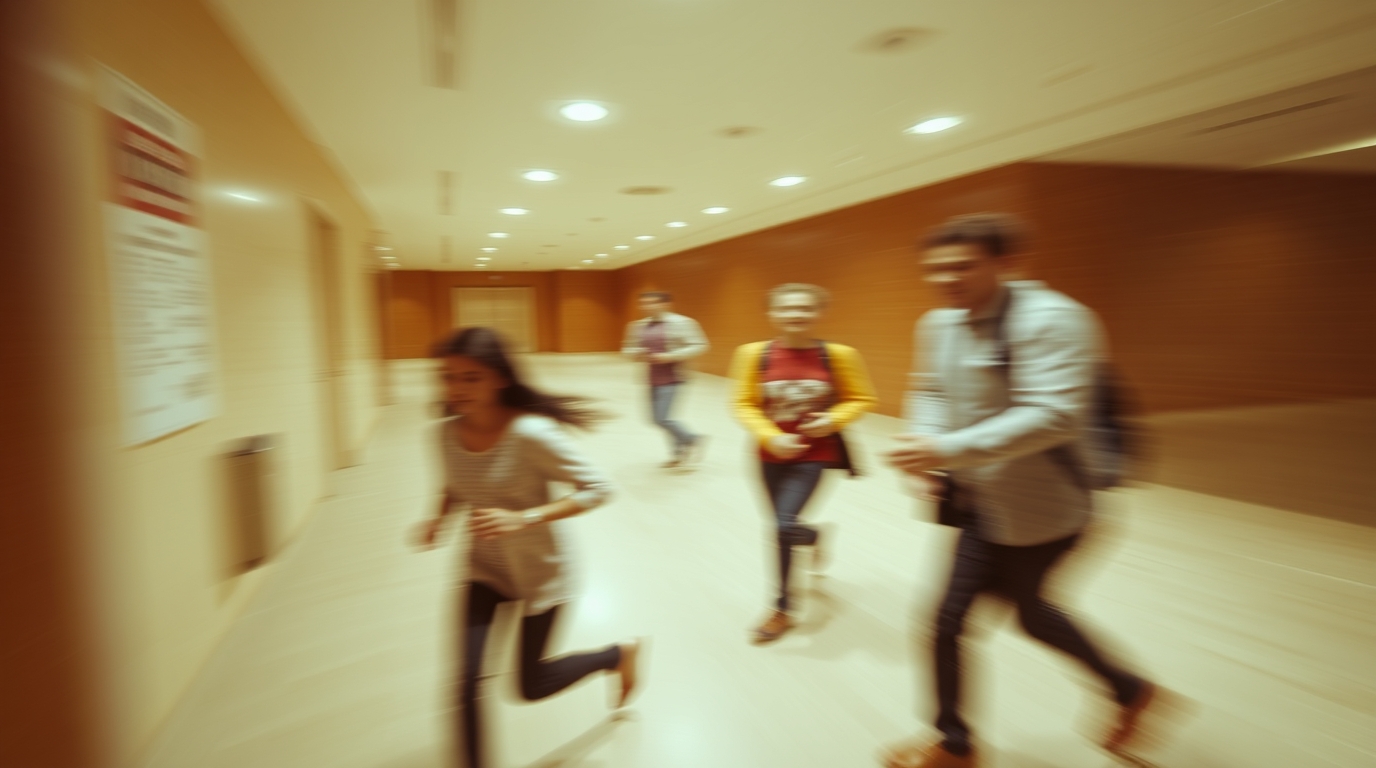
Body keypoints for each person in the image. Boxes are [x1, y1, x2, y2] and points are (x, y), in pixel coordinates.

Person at [881, 214, 1158, 768]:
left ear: (1008, 264)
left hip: (1049, 507)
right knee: (1014, 616)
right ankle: (1127, 690)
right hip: (981, 503)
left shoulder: (1055, 319)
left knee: (952, 621)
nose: (945, 281)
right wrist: (925, 444)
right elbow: (930, 390)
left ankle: (955, 746)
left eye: (962, 268)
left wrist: (947, 451)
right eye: (935, 271)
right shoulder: (938, 324)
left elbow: (1055, 416)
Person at [413, 327, 643, 768]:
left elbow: (598, 488)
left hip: (542, 573)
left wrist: (524, 517)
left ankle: (617, 654)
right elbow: (456, 482)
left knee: (529, 685)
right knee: (463, 683)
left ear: (499, 378)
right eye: (448, 377)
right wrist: (438, 517)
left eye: (470, 378)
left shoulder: (531, 434)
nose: (455, 389)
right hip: (484, 569)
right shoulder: (442, 435)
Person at [729, 283, 877, 644]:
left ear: (819, 313)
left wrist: (832, 420)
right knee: (783, 526)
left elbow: (862, 397)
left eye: (805, 308)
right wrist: (771, 436)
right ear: (772, 314)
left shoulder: (838, 355)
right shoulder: (753, 354)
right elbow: (743, 403)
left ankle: (781, 607)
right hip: (769, 454)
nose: (796, 314)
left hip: (815, 454)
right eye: (787, 308)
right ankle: (812, 535)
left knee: (780, 527)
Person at [621, 291, 709, 467]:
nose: (647, 307)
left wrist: (670, 356)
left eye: (652, 303)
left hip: (674, 376)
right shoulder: (637, 326)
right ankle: (680, 452)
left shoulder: (683, 323)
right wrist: (636, 353)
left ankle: (692, 440)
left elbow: (700, 345)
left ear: (665, 305)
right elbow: (627, 349)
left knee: (664, 418)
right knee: (656, 419)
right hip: (651, 377)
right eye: (644, 304)